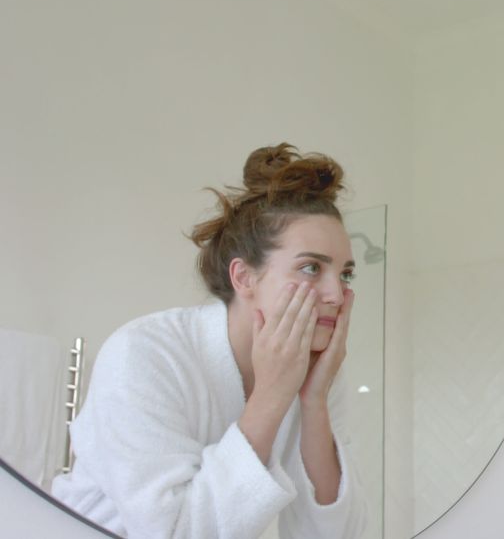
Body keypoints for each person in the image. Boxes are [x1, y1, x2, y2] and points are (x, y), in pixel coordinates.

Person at [52, 143, 366, 538]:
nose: (336, 294)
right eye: (310, 267)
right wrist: (271, 394)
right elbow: (174, 532)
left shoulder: (315, 375)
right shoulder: (144, 354)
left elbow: (338, 535)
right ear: (244, 278)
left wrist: (314, 402)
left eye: (346, 274)